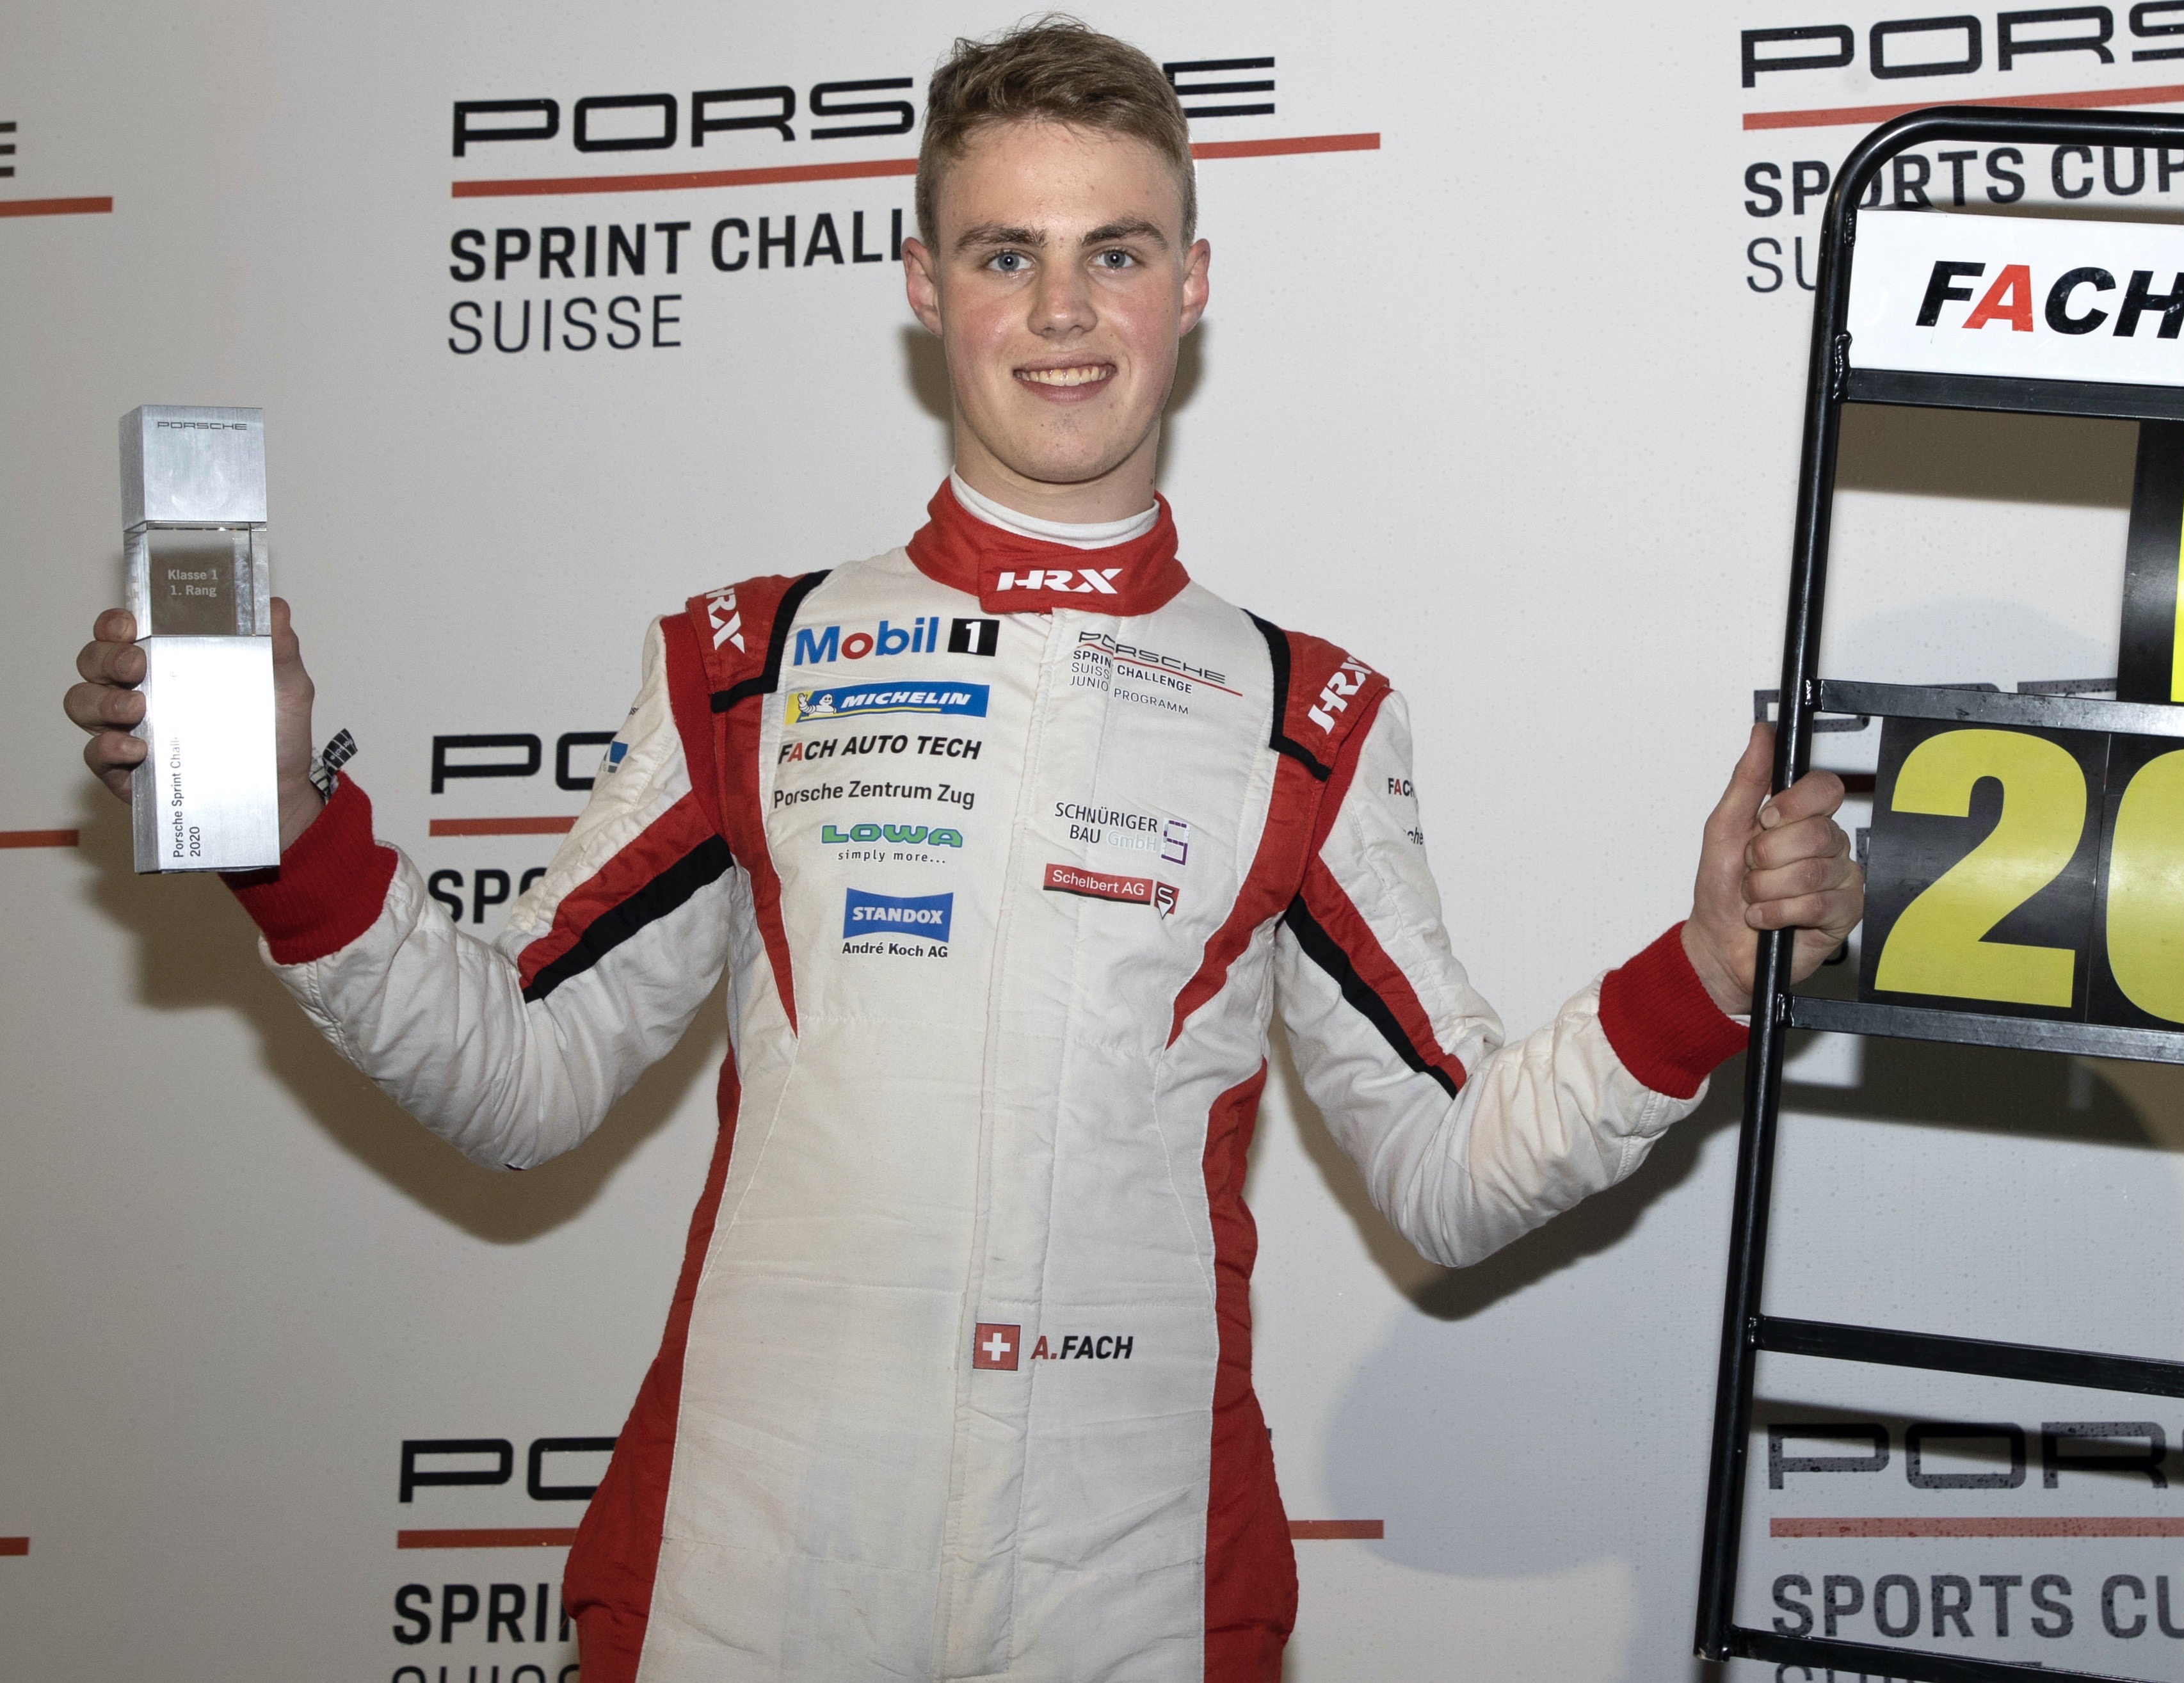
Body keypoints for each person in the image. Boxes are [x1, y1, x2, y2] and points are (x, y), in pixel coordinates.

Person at [61, 19, 1860, 1682]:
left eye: (1116, 253)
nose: (1063, 313)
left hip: (1132, 1595)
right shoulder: (746, 664)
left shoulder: (1304, 714)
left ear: (1192, 284)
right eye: (1006, 255)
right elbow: (522, 1077)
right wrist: (288, 830)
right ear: (925, 286)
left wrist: (1706, 973)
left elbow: (1449, 1172)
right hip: (742, 1587)